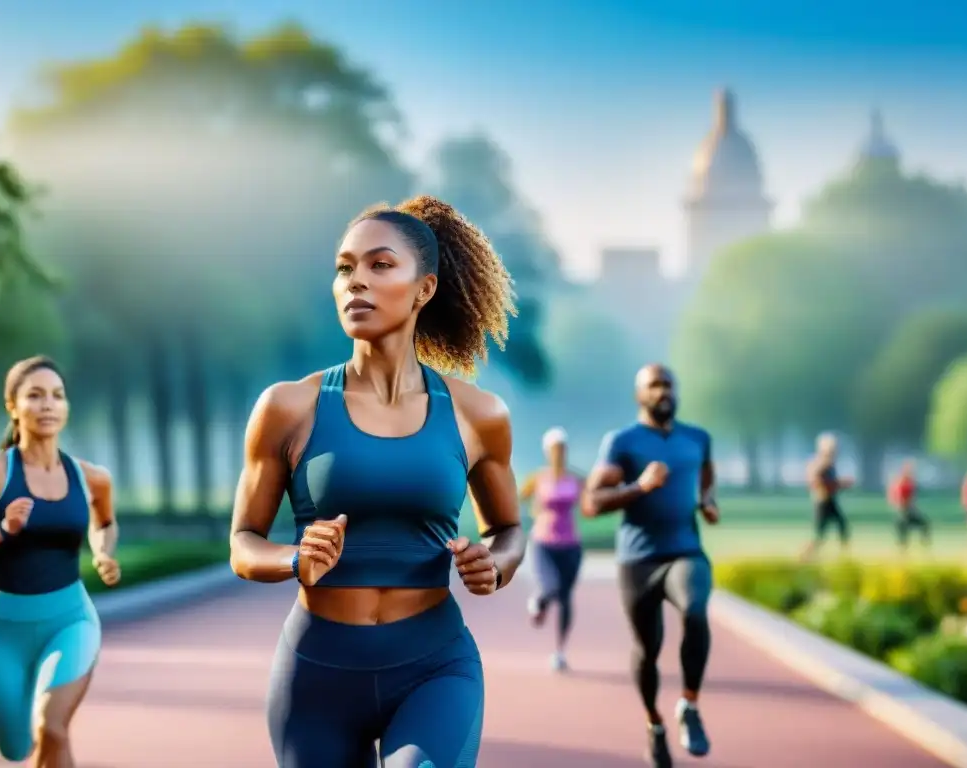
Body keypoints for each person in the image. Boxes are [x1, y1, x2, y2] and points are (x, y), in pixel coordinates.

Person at [229, 195, 526, 768]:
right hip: (316, 674)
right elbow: (243, 544)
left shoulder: (479, 415)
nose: (355, 281)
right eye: (345, 267)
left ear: (425, 288)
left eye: (379, 265)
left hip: (434, 666)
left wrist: (496, 562)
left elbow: (509, 528)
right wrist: (295, 559)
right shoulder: (289, 407)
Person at [0, 356, 120, 768]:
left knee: (54, 726)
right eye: (35, 395)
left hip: (71, 620)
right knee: (16, 749)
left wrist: (102, 552)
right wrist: (1, 532)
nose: (48, 405)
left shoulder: (91, 477)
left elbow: (106, 521)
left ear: (66, 406)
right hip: (4, 630)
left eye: (57, 396)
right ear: (12, 406)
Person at [583, 363, 719, 768]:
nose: (663, 392)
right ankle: (654, 724)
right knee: (648, 649)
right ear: (639, 395)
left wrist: (708, 500)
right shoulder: (622, 442)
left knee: (695, 611)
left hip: (684, 551)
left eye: (669, 385)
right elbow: (592, 503)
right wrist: (639, 486)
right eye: (654, 386)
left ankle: (689, 706)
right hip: (638, 560)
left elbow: (706, 474)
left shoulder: (698, 438)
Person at [519, 426, 584, 672]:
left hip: (571, 544)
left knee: (566, 598)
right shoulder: (538, 478)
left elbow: (590, 501)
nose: (559, 453)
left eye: (562, 448)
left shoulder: (575, 478)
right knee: (551, 587)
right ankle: (540, 600)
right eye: (554, 449)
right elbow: (515, 500)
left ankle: (560, 651)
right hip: (544, 543)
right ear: (547, 451)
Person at [800, 432, 854, 561]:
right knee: (819, 535)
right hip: (822, 502)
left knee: (842, 525)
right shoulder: (820, 462)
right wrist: (836, 484)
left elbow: (831, 482)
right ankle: (804, 557)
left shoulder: (829, 463)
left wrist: (840, 484)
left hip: (830, 500)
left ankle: (845, 555)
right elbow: (815, 480)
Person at [887, 459, 930, 553]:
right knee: (903, 530)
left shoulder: (910, 483)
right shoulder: (901, 483)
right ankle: (902, 549)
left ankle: (923, 545)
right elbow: (898, 498)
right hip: (904, 511)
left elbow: (912, 498)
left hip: (910, 510)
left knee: (923, 524)